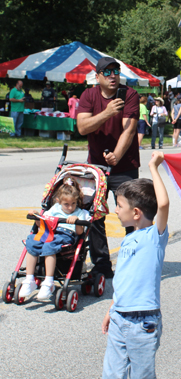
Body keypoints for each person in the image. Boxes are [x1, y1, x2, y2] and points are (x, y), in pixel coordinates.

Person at [101, 151, 169, 379]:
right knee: (112, 374)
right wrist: (112, 307)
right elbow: (124, 277)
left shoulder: (154, 236)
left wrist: (153, 168)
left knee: (141, 375)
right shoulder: (128, 238)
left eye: (119, 205)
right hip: (120, 316)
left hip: (143, 321)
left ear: (136, 213)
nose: (116, 210)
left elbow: (164, 204)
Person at [77, 56, 140, 279]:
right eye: (108, 72)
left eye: (116, 71)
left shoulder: (129, 94)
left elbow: (129, 130)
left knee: (132, 216)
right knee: (94, 216)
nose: (113, 75)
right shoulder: (88, 95)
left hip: (125, 166)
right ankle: (102, 264)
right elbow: (82, 127)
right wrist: (107, 113)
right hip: (96, 167)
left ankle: (135, 261)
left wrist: (116, 155)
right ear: (98, 76)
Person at [20, 178, 90, 300]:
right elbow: (41, 223)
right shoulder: (55, 209)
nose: (70, 207)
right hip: (49, 231)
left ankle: (48, 282)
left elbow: (79, 233)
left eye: (73, 203)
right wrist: (36, 216)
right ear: (58, 201)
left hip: (66, 235)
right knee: (32, 241)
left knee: (49, 245)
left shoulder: (79, 212)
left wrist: (76, 222)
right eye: (66, 204)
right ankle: (29, 279)